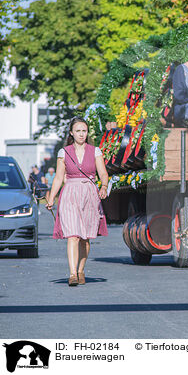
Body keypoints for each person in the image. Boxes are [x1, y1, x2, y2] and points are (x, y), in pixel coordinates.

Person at [46, 117, 109, 286]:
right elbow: (59, 177)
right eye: (78, 131)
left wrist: (103, 186)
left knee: (85, 238)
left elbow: (103, 173)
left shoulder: (95, 151)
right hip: (70, 194)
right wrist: (51, 198)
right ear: (71, 133)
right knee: (72, 235)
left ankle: (81, 270)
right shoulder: (63, 152)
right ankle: (72, 274)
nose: (82, 134)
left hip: (89, 193)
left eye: (84, 131)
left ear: (87, 133)